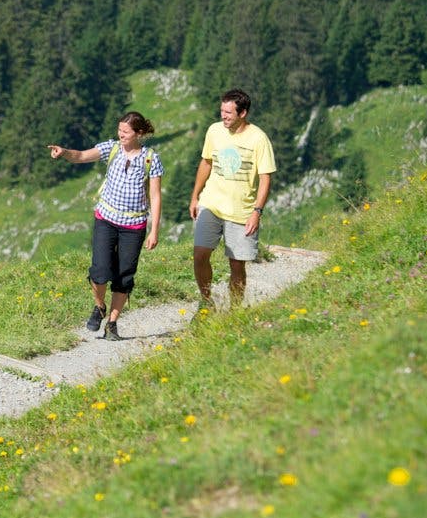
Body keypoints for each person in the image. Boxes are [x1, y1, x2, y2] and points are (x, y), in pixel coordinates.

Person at [48, 112, 163, 340]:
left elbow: (156, 196)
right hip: (106, 220)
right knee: (99, 271)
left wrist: (154, 230)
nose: (121, 134)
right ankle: (99, 306)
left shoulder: (150, 158)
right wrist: (64, 153)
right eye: (119, 130)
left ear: (138, 133)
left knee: (124, 276)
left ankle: (112, 324)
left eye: (126, 132)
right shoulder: (111, 149)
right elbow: (81, 156)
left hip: (134, 225)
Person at [188, 88, 276, 310]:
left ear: (243, 113)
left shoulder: (258, 138)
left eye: (229, 112)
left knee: (237, 265)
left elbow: (265, 178)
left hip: (242, 211)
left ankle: (235, 310)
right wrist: (195, 196)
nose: (223, 116)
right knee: (200, 255)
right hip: (211, 204)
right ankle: (207, 302)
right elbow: (206, 163)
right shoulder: (214, 131)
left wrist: (257, 212)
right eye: (222, 111)